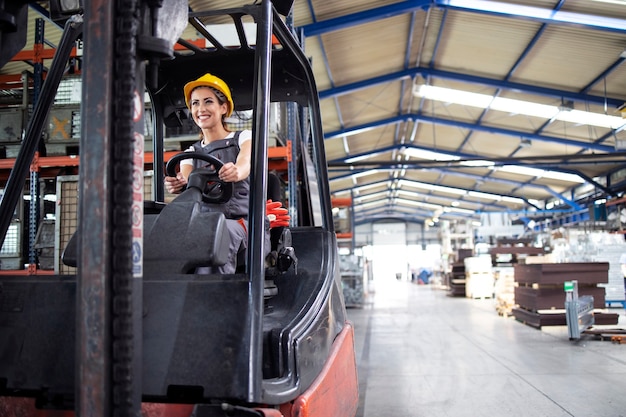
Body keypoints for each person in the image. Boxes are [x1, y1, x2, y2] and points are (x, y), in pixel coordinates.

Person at [164, 72, 267, 274]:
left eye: (208, 102)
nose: (200, 109)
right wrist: (178, 184)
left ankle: (217, 300)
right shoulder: (190, 153)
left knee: (218, 235)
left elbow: (246, 162)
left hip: (244, 224)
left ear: (223, 107)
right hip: (204, 224)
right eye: (194, 104)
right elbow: (186, 176)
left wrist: (237, 172)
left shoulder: (243, 137)